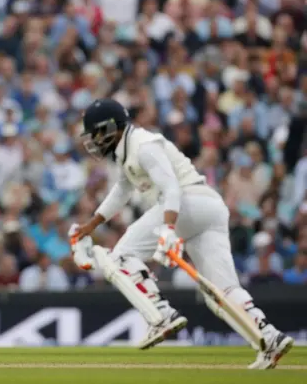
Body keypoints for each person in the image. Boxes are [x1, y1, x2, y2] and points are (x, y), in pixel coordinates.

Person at [70, 98, 293, 370]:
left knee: (120, 257)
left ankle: (161, 313)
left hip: (186, 203)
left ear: (110, 128)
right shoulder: (127, 150)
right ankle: (269, 337)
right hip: (208, 208)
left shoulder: (144, 145)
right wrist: (91, 225)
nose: (92, 140)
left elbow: (172, 188)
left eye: (95, 133)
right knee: (223, 291)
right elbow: (122, 190)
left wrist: (167, 229)